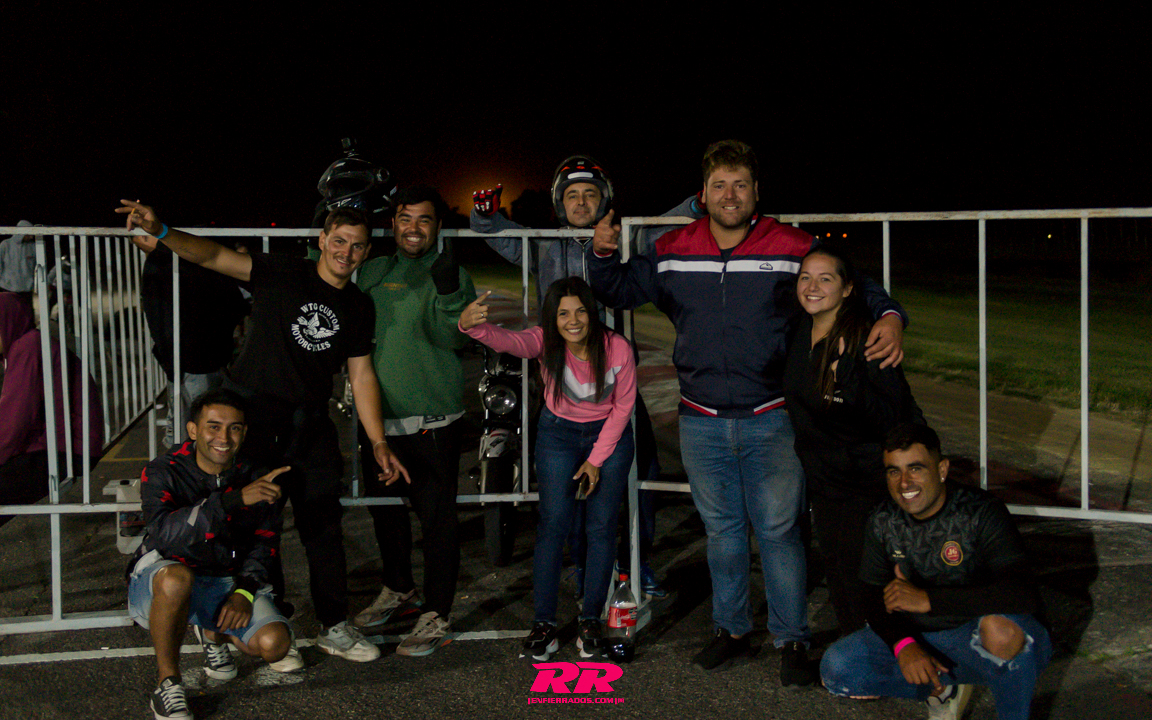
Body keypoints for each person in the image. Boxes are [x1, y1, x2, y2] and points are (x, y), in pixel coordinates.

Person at [588, 139, 907, 684]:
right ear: (703, 193)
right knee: (723, 532)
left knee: (779, 532)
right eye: (719, 185)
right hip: (700, 418)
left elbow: (853, 282)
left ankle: (791, 638)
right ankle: (731, 630)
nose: (730, 195)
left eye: (740, 185)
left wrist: (891, 315)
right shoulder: (673, 247)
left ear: (756, 191)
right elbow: (618, 289)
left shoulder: (789, 244)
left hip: (772, 414)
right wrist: (600, 254)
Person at [117, 199, 407, 663]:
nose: (346, 252)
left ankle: (334, 624)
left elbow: (362, 374)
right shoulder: (283, 272)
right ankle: (266, 617)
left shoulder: (358, 306)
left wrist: (377, 441)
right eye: (338, 241)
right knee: (250, 523)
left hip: (309, 424)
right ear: (322, 241)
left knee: (323, 527)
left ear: (366, 252)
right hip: (253, 419)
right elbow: (212, 256)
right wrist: (164, 230)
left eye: (356, 246)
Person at [472, 155, 697, 599]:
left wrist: (696, 204)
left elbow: (662, 226)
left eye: (590, 194)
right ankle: (585, 564)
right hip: (563, 392)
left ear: (604, 200)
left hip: (615, 386)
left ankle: (635, 562)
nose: (580, 202)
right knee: (571, 482)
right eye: (572, 195)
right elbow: (498, 235)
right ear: (560, 203)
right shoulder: (543, 243)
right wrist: (484, 215)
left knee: (643, 471)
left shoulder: (621, 235)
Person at [820, 423, 1052, 720]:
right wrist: (904, 645)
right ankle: (941, 689)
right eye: (894, 471)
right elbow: (871, 594)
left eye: (915, 469)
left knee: (1002, 633)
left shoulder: (980, 512)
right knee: (838, 668)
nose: (904, 483)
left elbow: (1022, 594)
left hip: (978, 634)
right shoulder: (883, 519)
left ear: (942, 470)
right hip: (923, 636)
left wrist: (929, 599)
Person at [459, 276, 636, 661]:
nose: (573, 321)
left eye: (580, 312)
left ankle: (590, 620)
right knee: (553, 526)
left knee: (601, 527)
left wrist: (595, 460)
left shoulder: (617, 347)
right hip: (558, 435)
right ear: (552, 318)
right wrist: (473, 326)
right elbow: (509, 341)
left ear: (592, 313)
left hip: (609, 436)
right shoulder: (544, 341)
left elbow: (624, 407)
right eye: (563, 314)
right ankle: (543, 623)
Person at [350, 186, 476, 657]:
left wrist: (448, 294)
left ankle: (437, 610)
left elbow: (454, 339)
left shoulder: (453, 272)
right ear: (393, 223)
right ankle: (399, 587)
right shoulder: (375, 270)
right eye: (405, 218)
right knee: (385, 513)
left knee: (437, 520)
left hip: (432, 420)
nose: (414, 228)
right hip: (377, 423)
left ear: (438, 226)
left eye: (424, 219)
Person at [127, 389, 297, 720]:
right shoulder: (163, 470)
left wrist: (244, 592)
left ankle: (212, 633)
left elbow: (265, 542)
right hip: (165, 580)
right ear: (193, 430)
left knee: (275, 645)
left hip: (224, 581)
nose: (224, 437)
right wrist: (233, 500)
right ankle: (167, 684)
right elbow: (166, 535)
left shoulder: (256, 473)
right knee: (177, 578)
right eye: (214, 426)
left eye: (235, 428)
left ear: (244, 433)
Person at [783, 246, 924, 635]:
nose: (812, 287)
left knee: (867, 572)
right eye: (805, 278)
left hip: (865, 482)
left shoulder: (868, 339)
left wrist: (846, 380)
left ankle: (894, 648)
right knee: (838, 569)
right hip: (824, 479)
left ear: (847, 289)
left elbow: (892, 418)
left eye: (825, 278)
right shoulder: (798, 331)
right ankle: (857, 649)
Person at [132, 234, 248, 444]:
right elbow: (234, 302)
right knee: (201, 419)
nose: (139, 241)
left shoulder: (165, 262)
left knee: (192, 422)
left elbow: (158, 315)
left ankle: (183, 458)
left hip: (188, 355)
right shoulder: (193, 256)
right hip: (202, 354)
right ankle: (188, 458)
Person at [0, 292, 103, 526]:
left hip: (66, 451)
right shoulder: (29, 343)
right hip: (64, 446)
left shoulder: (27, 347)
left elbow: (15, 422)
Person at [0, 220, 37, 299]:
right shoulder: (5, 245)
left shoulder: (33, 246)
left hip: (27, 290)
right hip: (8, 289)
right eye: (29, 234)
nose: (31, 237)